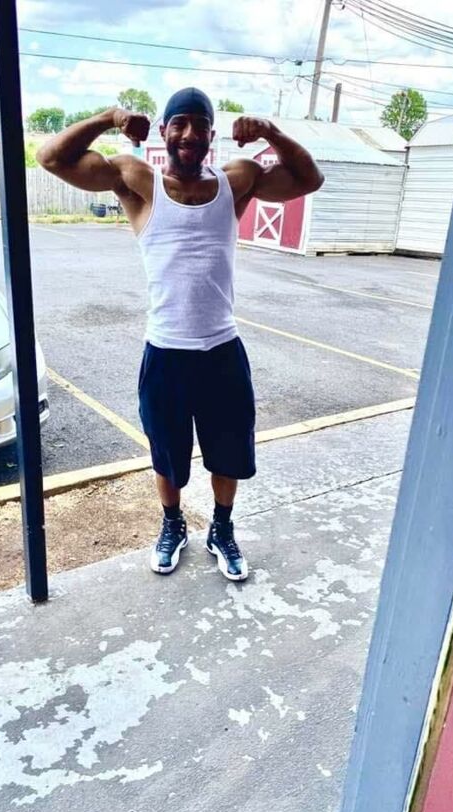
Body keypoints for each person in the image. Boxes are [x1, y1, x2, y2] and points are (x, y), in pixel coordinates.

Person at [37, 88, 324, 582]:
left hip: (222, 349)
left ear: (212, 134)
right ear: (164, 130)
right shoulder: (137, 180)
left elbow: (308, 179)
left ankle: (221, 529)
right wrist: (109, 117)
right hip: (166, 350)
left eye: (200, 125)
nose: (190, 134)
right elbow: (51, 158)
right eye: (180, 123)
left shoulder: (237, 179)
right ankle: (172, 525)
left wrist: (271, 133)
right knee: (166, 452)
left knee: (229, 451)